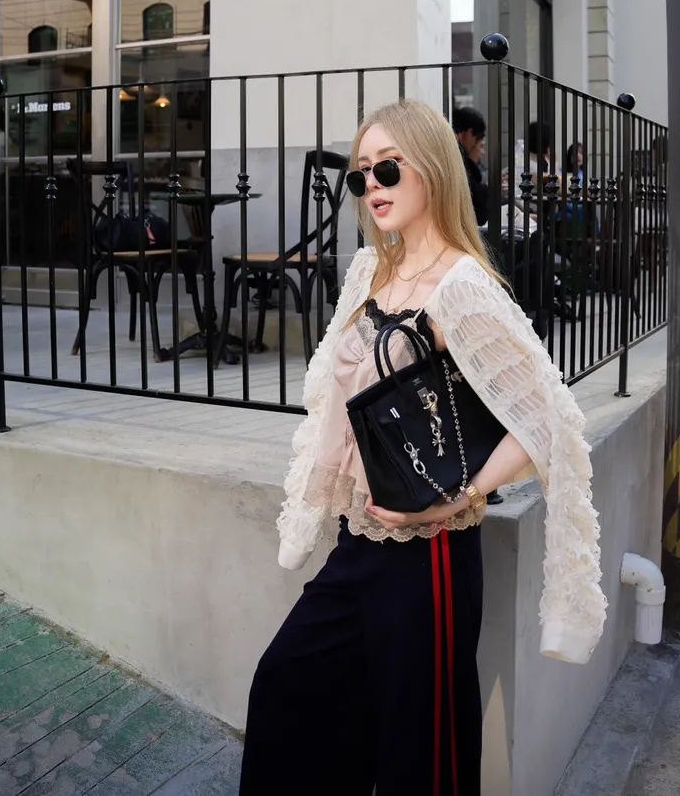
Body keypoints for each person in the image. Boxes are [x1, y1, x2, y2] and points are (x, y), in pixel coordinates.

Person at [239, 100, 607, 796]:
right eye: (360, 174)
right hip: (358, 540)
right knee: (288, 687)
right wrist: (316, 504)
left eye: (387, 167)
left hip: (428, 557)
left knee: (421, 755)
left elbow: (548, 419)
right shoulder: (369, 271)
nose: (371, 186)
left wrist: (458, 498)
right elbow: (334, 404)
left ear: (434, 168)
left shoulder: (462, 286)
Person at [452, 105, 488, 226]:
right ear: (469, 133)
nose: (474, 145)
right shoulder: (456, 155)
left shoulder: (456, 154)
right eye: (475, 139)